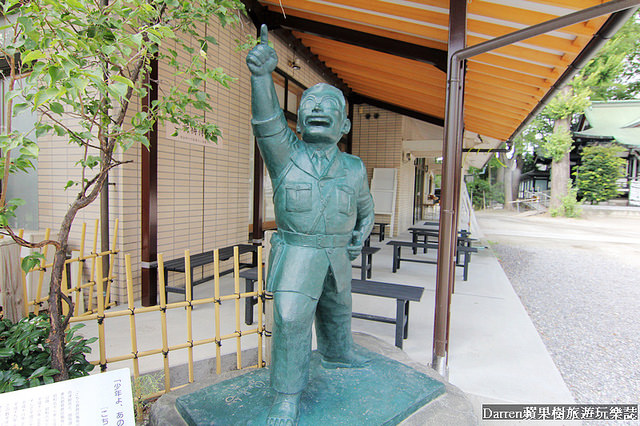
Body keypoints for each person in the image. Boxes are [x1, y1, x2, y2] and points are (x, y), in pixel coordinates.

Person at [246, 25, 375, 425]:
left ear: (345, 126)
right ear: (298, 119)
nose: (317, 109)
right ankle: (286, 396)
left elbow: (366, 208)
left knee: (338, 309)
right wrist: (261, 76)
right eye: (309, 104)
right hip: (299, 250)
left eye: (329, 105)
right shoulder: (285, 154)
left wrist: (361, 233)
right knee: (291, 317)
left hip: (337, 253)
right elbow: (266, 120)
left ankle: (339, 352)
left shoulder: (354, 167)